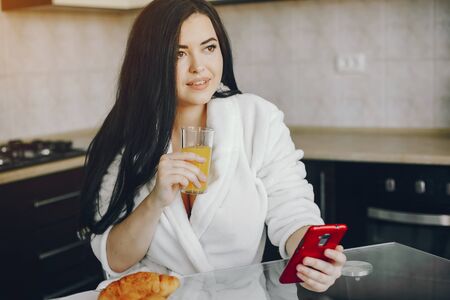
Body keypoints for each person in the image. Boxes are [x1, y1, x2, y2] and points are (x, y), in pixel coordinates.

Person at [80, 0, 346, 293]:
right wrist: (155, 201)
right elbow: (114, 259)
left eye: (209, 48)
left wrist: (312, 257)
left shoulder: (257, 119)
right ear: (151, 61)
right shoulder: (127, 139)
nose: (199, 67)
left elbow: (291, 208)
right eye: (179, 54)